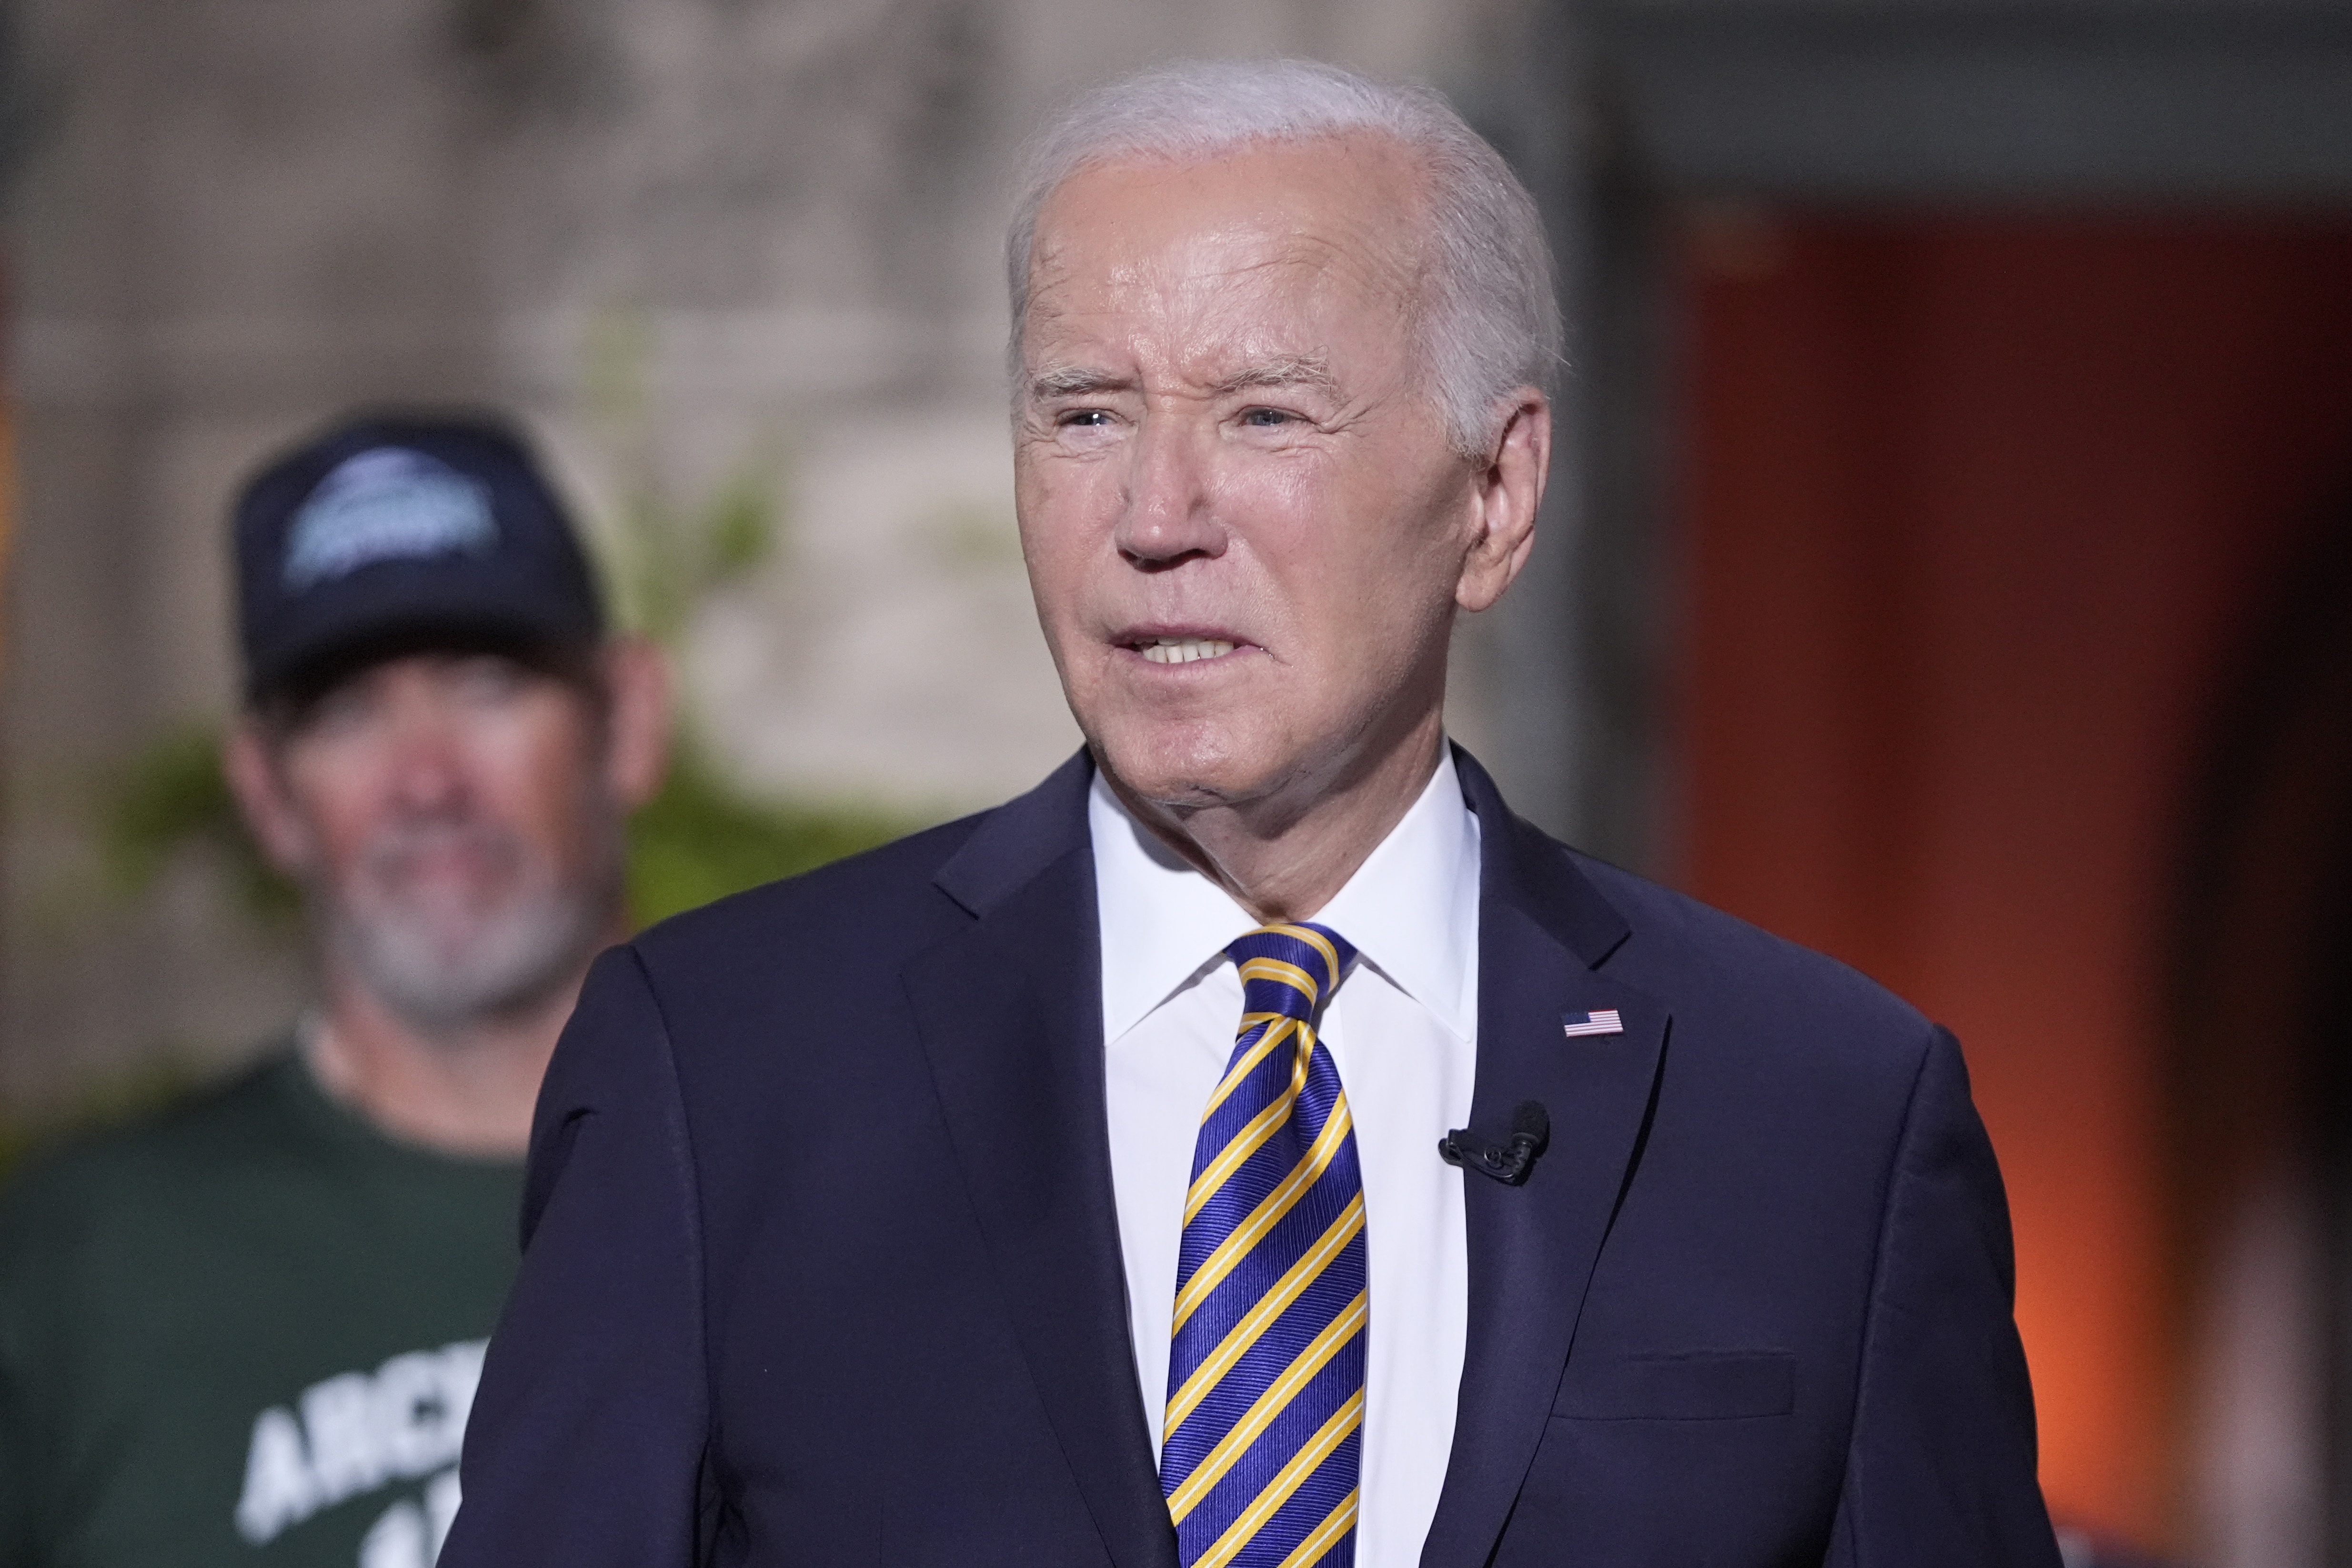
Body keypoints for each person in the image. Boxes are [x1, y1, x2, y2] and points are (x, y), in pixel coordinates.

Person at [442, 60, 2062, 1568]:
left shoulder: (1821, 1118)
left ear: (1492, 499)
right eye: (1084, 411)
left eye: (1262, 415)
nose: (1154, 517)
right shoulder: (724, 1075)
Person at [0, 414, 670, 1568]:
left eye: (486, 683)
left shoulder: (839, 1190)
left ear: (628, 722)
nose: (426, 779)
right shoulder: (74, 1277)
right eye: (346, 710)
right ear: (265, 792)